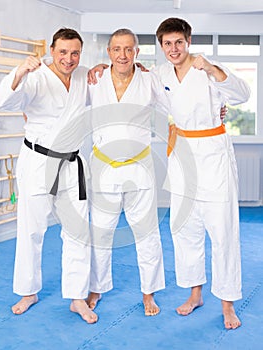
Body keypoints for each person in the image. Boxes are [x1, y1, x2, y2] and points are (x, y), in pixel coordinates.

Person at [0, 28, 98, 324]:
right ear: (52, 50)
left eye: (75, 53)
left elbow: (112, 87)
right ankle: (28, 292)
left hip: (71, 165)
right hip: (38, 161)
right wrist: (18, 72)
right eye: (63, 52)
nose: (69, 58)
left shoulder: (84, 76)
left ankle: (77, 297)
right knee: (31, 229)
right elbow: (3, 102)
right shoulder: (35, 75)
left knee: (78, 230)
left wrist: (110, 68)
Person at [154, 17, 250, 329]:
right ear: (161, 46)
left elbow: (241, 95)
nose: (173, 48)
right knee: (185, 229)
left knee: (222, 230)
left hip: (212, 155)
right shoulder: (160, 74)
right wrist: (103, 71)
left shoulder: (206, 68)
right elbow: (136, 86)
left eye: (178, 42)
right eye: (167, 43)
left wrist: (211, 69)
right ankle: (195, 294)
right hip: (182, 155)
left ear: (188, 42)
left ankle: (227, 304)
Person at [85, 28, 170, 316]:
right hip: (103, 168)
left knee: (147, 233)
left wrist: (215, 110)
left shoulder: (149, 80)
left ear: (137, 52)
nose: (123, 54)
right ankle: (96, 287)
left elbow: (177, 105)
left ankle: (149, 292)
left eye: (129, 49)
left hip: (140, 167)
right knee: (101, 232)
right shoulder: (94, 80)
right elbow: (65, 104)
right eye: (117, 49)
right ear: (108, 52)